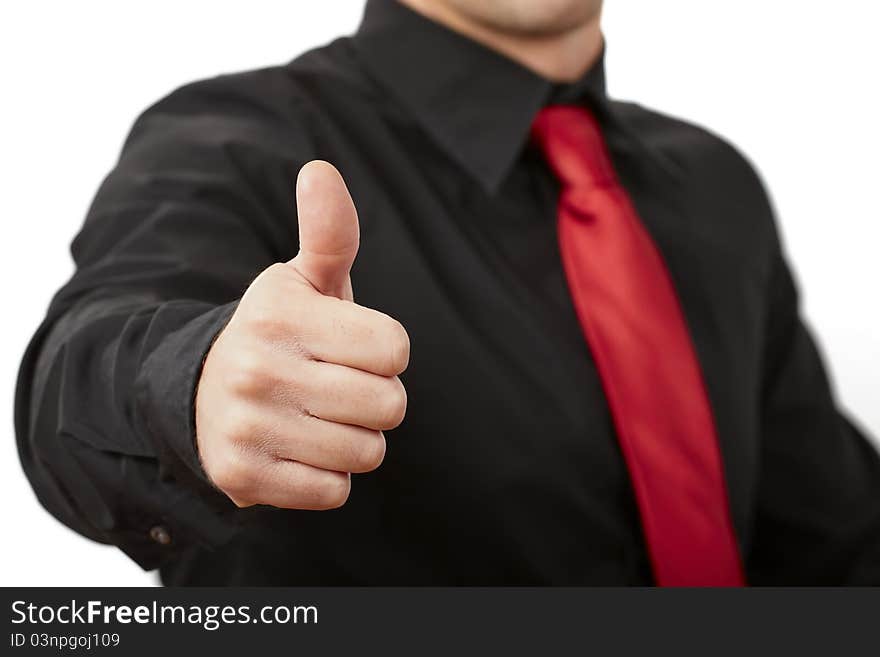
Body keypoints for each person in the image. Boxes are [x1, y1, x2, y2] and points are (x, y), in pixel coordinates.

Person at [15, 0, 880, 585]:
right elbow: (79, 370)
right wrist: (192, 383)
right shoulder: (237, 141)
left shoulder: (714, 188)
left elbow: (828, 538)